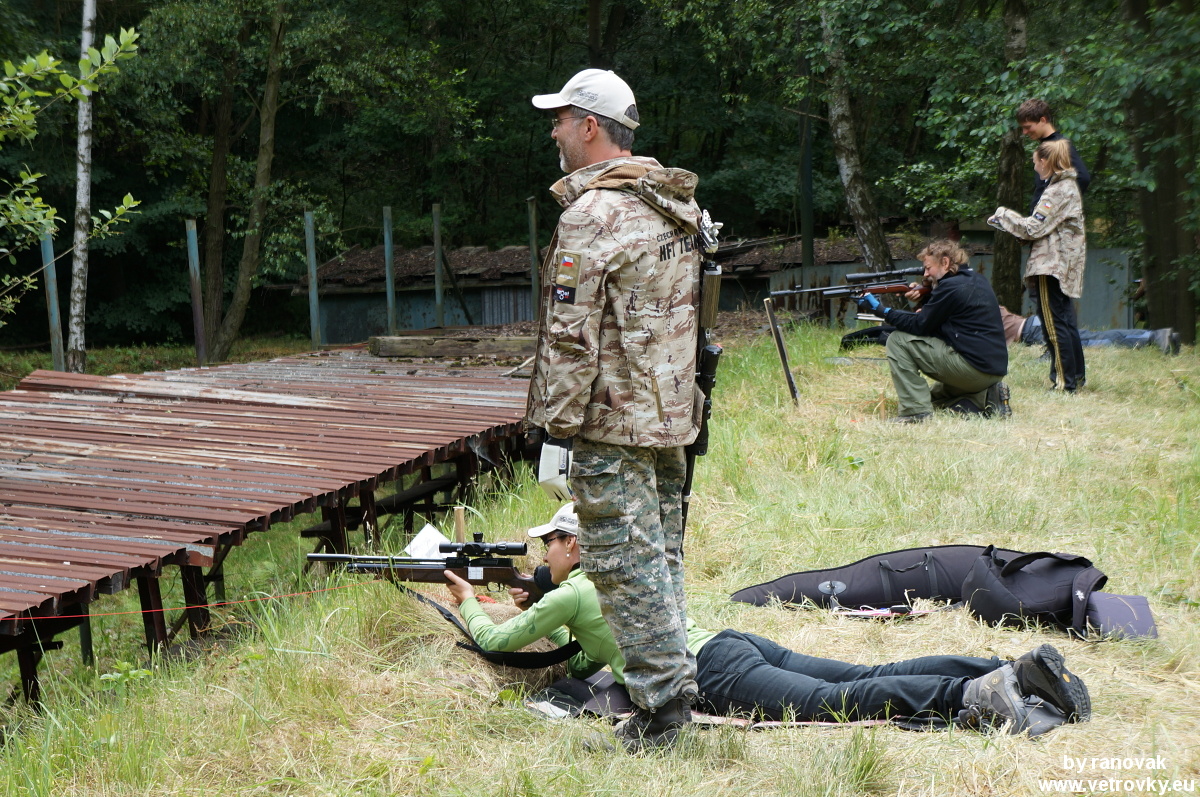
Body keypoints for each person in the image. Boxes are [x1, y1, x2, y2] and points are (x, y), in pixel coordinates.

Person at [444, 505, 1091, 741]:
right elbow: (596, 654)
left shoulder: (573, 591)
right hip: (729, 643)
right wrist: (555, 625)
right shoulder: (623, 574)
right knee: (864, 674)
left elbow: (495, 640)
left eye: (550, 543)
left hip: (714, 672)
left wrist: (466, 598)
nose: (544, 554)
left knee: (844, 702)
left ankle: (976, 695)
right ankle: (1005, 670)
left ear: (575, 545)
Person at [524, 68, 705, 750]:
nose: (554, 132)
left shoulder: (592, 214)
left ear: (591, 126)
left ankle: (663, 713)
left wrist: (555, 428)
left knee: (624, 565)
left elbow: (571, 336)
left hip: (612, 418)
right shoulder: (674, 203)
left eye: (560, 119)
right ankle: (674, 689)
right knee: (659, 557)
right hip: (669, 414)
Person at [853, 240, 1009, 423]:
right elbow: (939, 318)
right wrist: (926, 296)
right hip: (993, 371)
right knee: (933, 398)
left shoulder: (950, 287)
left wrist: (881, 311)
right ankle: (986, 396)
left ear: (945, 262)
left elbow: (919, 326)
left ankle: (915, 413)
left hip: (972, 370)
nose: (926, 274)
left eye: (928, 268)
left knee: (897, 340)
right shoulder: (977, 279)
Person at [989, 139, 1087, 392]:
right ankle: (1075, 377)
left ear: (1045, 162)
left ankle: (1064, 384)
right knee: (1065, 321)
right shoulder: (1069, 186)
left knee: (1054, 324)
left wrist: (1003, 215)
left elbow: (1034, 227)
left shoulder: (1056, 191)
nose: (1034, 168)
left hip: (1049, 264)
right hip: (1062, 264)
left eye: (1035, 162)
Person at [1000, 306, 1180, 355]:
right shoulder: (988, 306)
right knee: (1091, 338)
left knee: (1092, 341)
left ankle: (1154, 336)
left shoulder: (985, 311)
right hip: (1035, 326)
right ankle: (1158, 336)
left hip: (1034, 331)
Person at [1017, 99, 1090, 214]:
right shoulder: (1046, 145)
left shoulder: (1059, 146)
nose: (1024, 132)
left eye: (1028, 127)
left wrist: (1055, 209)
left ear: (1042, 120)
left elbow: (1083, 178)